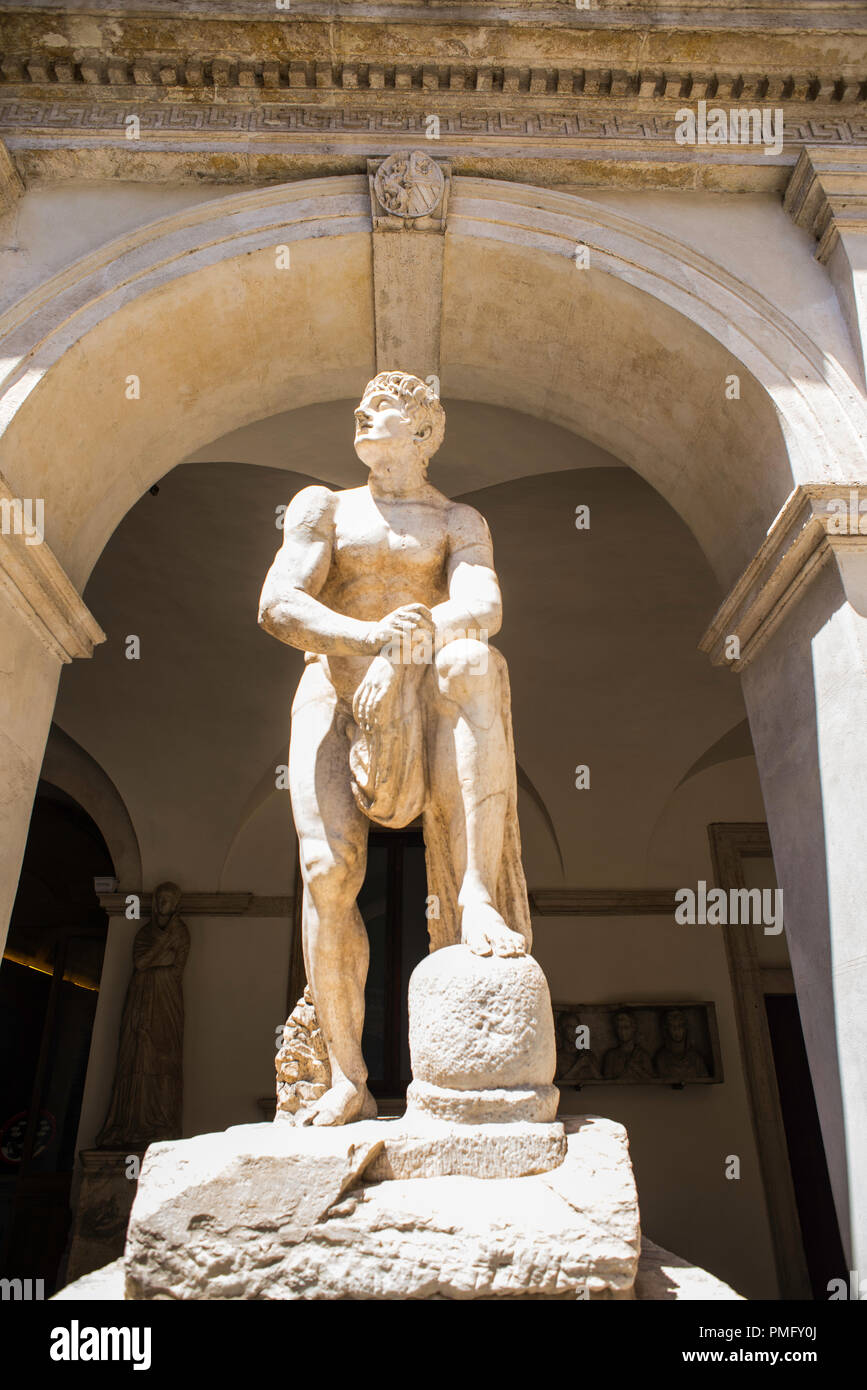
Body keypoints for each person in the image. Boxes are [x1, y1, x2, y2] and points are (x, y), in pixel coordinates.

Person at [258, 372, 532, 1125]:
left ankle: (474, 894)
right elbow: (279, 604)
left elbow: (484, 605)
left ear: (426, 430)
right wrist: (369, 639)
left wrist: (404, 649)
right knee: (326, 871)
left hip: (421, 690)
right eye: (361, 407)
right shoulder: (325, 506)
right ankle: (349, 1077)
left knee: (474, 662)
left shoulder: (456, 520)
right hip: (335, 686)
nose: (361, 416)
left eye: (382, 409)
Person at [96, 882, 189, 1148]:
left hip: (167, 998)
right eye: (160, 899)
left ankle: (159, 1120)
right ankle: (130, 1122)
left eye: (168, 900)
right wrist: (163, 952)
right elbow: (140, 962)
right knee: (136, 1050)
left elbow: (176, 967)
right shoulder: (145, 933)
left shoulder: (181, 933)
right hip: (141, 995)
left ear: (175, 905)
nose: (162, 904)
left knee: (163, 1052)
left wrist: (157, 959)